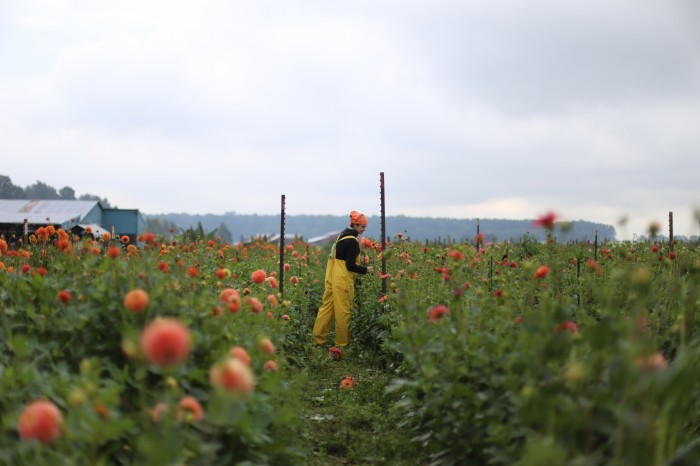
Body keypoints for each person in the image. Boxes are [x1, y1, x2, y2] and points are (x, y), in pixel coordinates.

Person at [313, 210, 374, 348]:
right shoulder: (352, 242)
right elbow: (350, 265)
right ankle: (341, 343)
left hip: (332, 276)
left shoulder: (341, 235)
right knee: (343, 311)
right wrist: (366, 270)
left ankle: (318, 339)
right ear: (355, 224)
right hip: (343, 280)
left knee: (326, 307)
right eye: (362, 227)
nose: (364, 230)